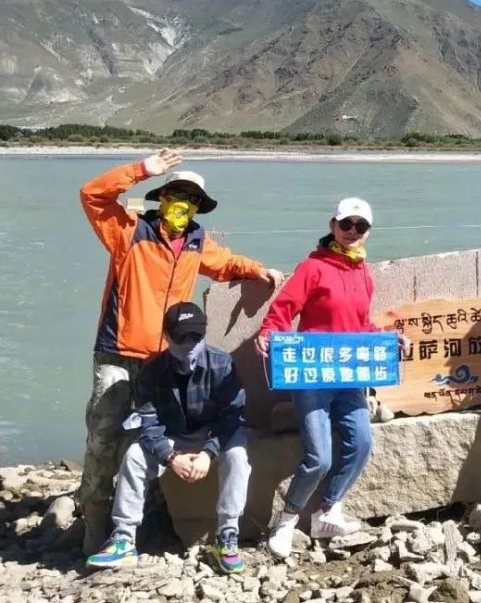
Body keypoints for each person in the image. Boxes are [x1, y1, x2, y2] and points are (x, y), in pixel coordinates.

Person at [79, 149, 283, 554]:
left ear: (196, 208)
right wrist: (141, 170)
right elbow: (92, 195)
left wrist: (257, 269)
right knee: (103, 439)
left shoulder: (195, 241)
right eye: (175, 194)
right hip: (119, 355)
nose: (181, 204)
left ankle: (147, 513)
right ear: (162, 196)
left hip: (168, 361)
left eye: (190, 199)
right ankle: (95, 521)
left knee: (145, 437)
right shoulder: (128, 230)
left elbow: (224, 263)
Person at [257, 197, 406, 558]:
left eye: (361, 226)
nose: (353, 232)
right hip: (312, 375)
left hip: (350, 377)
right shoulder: (312, 267)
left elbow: (359, 325)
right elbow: (283, 310)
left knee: (362, 442)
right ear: (332, 226)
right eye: (346, 224)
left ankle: (328, 510)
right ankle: (287, 520)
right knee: (318, 457)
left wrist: (388, 338)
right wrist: (267, 333)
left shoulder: (363, 272)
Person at [86, 302, 251, 574]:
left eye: (195, 336)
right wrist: (170, 457)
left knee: (238, 456)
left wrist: (209, 453)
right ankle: (124, 539)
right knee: (134, 457)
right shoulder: (152, 372)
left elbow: (233, 416)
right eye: (181, 337)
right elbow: (148, 423)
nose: (189, 344)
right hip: (173, 438)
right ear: (167, 337)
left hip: (213, 436)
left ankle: (227, 537)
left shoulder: (223, 364)